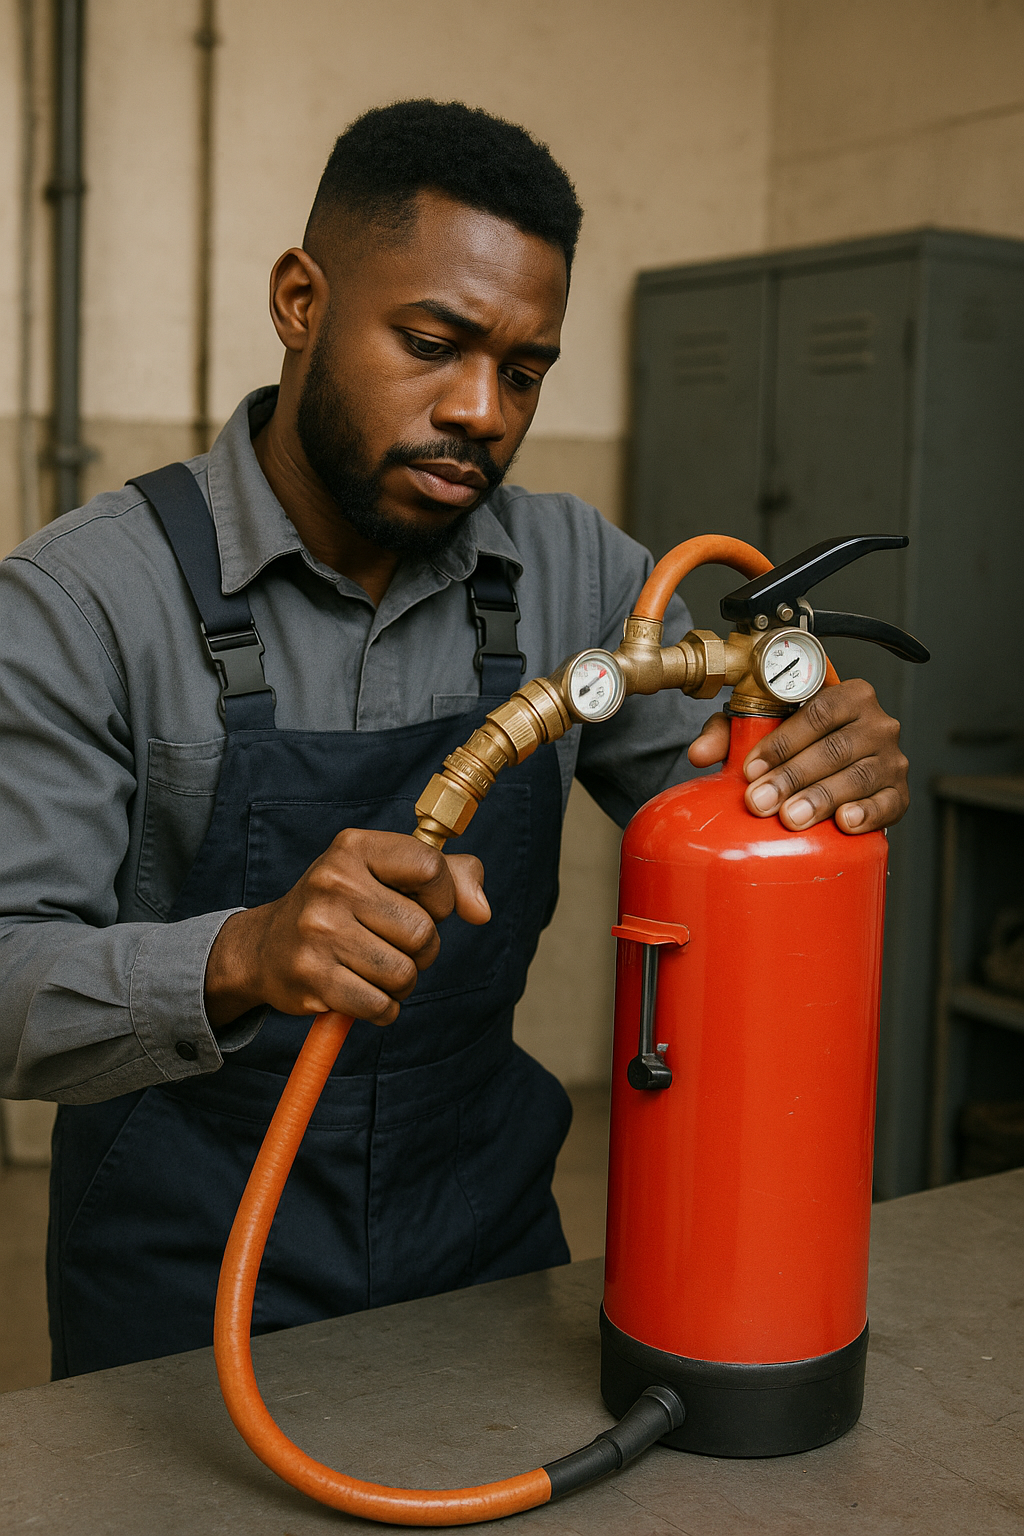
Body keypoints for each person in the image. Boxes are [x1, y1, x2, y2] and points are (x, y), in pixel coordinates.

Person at [0, 101, 909, 1379]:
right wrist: (245, 952)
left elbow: (739, 801)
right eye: (432, 343)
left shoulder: (579, 573)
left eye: (526, 372)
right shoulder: (84, 602)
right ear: (300, 300)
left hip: (480, 1231)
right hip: (188, 1260)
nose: (483, 409)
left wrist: (819, 766)